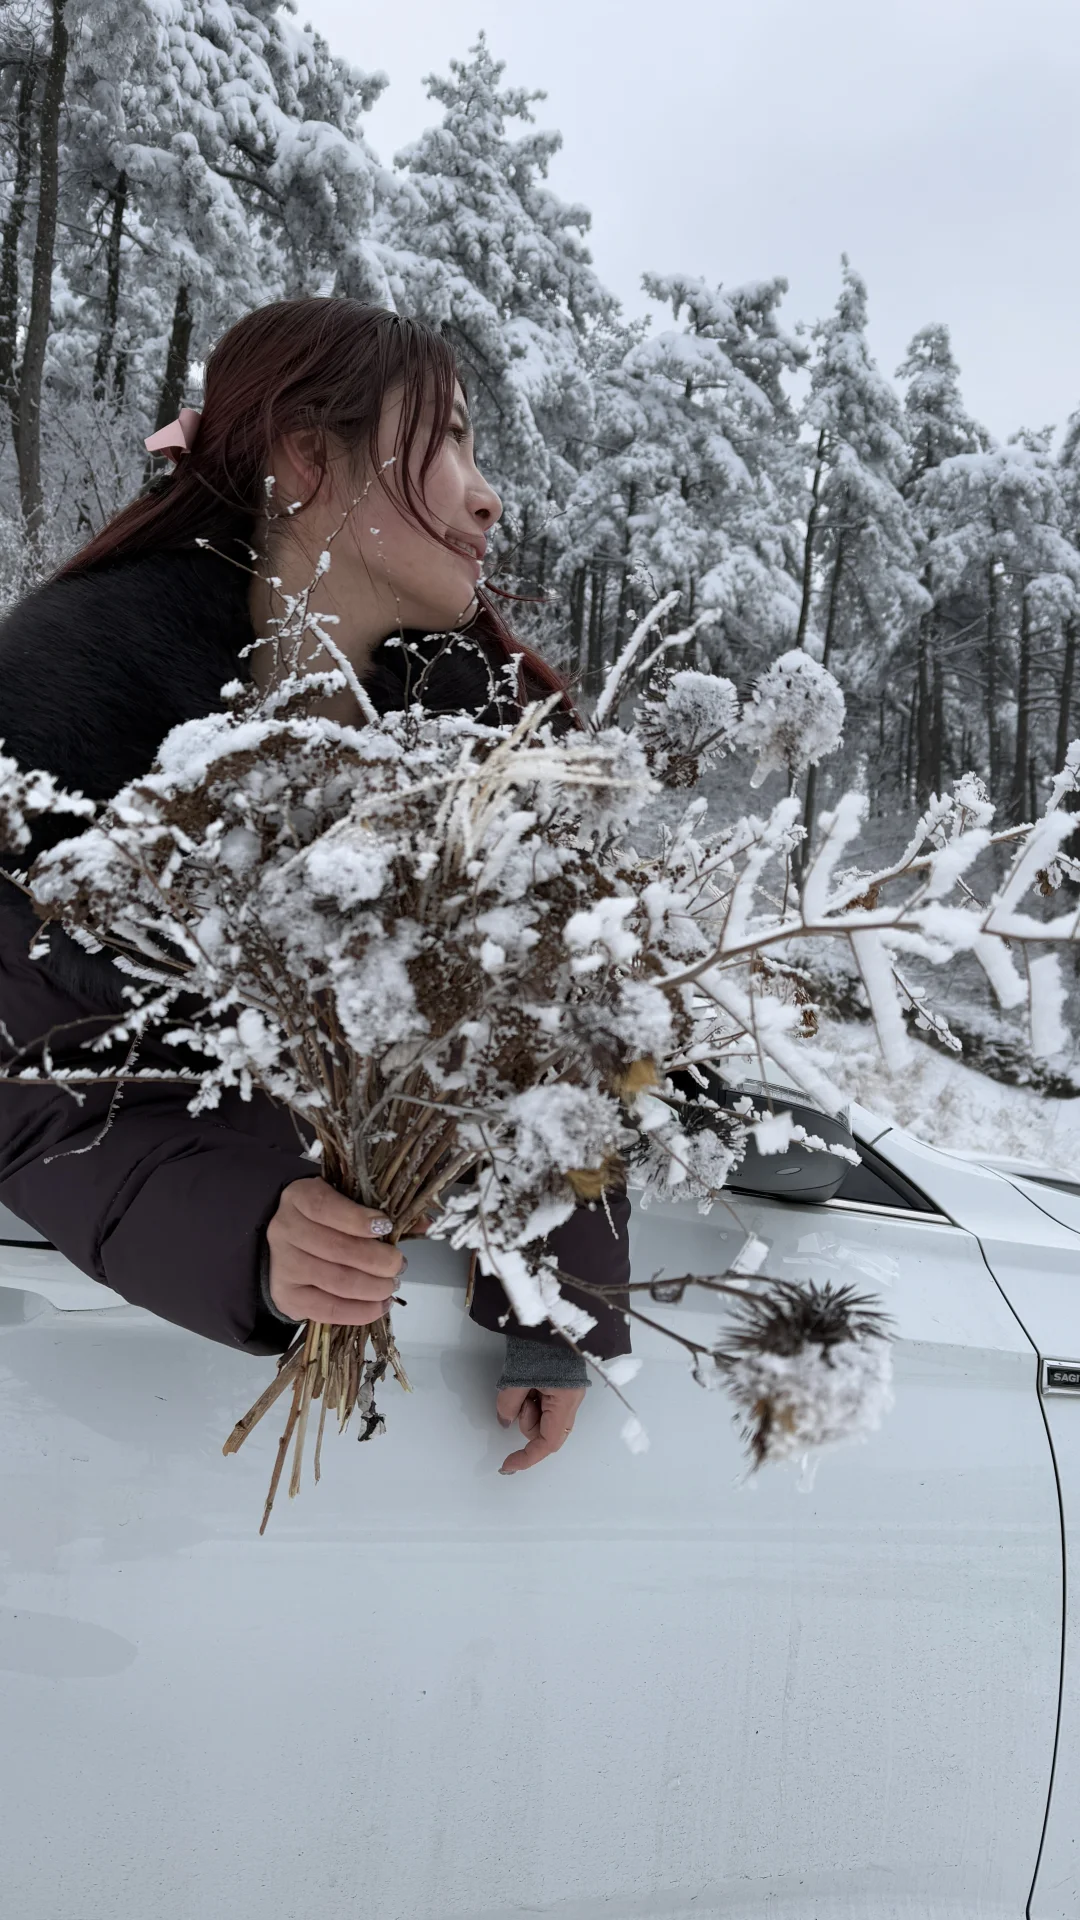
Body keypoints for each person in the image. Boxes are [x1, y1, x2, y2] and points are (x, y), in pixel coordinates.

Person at [0, 298, 631, 1475]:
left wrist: (552, 1305)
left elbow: (558, 1050)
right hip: (136, 1435)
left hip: (417, 1428)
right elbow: (41, 1095)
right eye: (446, 443)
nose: (486, 494)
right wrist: (250, 1230)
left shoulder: (481, 756)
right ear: (305, 457)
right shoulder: (70, 744)